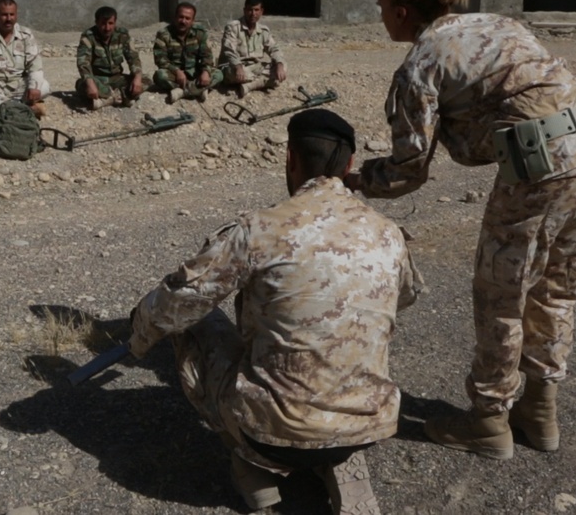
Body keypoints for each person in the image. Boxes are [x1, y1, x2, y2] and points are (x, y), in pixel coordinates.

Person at [348, 0, 576, 460]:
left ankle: (489, 421)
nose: (381, 12)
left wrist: (357, 180)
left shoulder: (421, 63)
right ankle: (540, 412)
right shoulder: (496, 23)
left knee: (502, 295)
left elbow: (409, 170)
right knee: (556, 286)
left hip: (546, 164)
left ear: (402, 10)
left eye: (381, 2)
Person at [129, 109, 421, 514]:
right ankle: (339, 460)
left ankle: (254, 467)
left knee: (195, 319)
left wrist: (138, 335)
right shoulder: (389, 233)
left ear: (289, 158)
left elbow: (177, 303)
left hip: (268, 433)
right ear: (350, 165)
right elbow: (405, 297)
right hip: (369, 425)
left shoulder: (259, 229)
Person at [75, 6, 144, 110]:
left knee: (146, 79)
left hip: (118, 78)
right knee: (81, 85)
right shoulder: (88, 37)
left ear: (115, 22)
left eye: (110, 23)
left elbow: (133, 58)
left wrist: (137, 78)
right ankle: (120, 96)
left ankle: (107, 99)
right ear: (96, 22)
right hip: (99, 79)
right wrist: (90, 83)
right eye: (103, 23)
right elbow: (83, 63)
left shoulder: (122, 35)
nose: (107, 28)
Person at [152, 2, 223, 103]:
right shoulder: (164, 34)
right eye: (181, 17)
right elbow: (160, 59)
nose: (183, 21)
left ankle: (182, 92)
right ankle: (200, 90)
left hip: (194, 71)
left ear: (192, 21)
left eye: (187, 18)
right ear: (175, 17)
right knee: (160, 76)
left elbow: (207, 56)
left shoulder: (199, 33)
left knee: (219, 74)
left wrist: (205, 71)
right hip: (174, 75)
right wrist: (176, 71)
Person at [219, 0, 286, 98]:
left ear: (261, 11)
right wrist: (238, 66)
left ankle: (249, 86)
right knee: (238, 73)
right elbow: (229, 50)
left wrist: (279, 64)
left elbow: (274, 48)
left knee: (282, 67)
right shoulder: (233, 27)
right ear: (244, 10)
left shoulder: (263, 31)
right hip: (235, 67)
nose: (253, 14)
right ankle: (262, 82)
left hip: (254, 67)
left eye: (256, 10)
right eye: (250, 10)